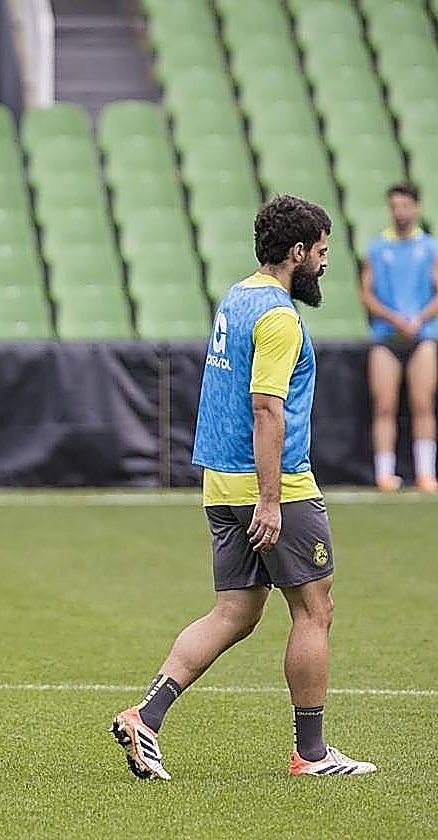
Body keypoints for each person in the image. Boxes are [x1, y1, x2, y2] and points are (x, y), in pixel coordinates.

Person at [110, 196, 376, 780]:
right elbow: (265, 408)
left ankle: (146, 716)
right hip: (273, 484)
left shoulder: (235, 297)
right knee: (315, 608)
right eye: (322, 251)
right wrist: (273, 498)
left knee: (234, 611)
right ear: (298, 251)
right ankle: (310, 755)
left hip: (219, 482)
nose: (326, 263)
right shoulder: (279, 316)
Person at [360, 182, 438, 492]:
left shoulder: (429, 247)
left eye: (405, 205)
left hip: (422, 335)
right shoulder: (378, 248)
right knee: (384, 404)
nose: (400, 212)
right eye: (394, 206)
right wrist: (394, 319)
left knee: (422, 403)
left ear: (416, 207)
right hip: (385, 336)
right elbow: (366, 293)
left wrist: (419, 319)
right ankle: (384, 472)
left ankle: (425, 472)